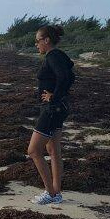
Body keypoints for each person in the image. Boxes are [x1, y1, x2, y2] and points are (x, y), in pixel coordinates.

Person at [27, 24, 74, 205]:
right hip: (59, 108)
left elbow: (64, 76)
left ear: (47, 40)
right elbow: (70, 76)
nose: (36, 44)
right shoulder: (59, 55)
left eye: (38, 41)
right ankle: (56, 193)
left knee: (33, 150)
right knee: (53, 150)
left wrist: (54, 96)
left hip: (52, 109)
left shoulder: (53, 56)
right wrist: (60, 95)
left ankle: (50, 193)